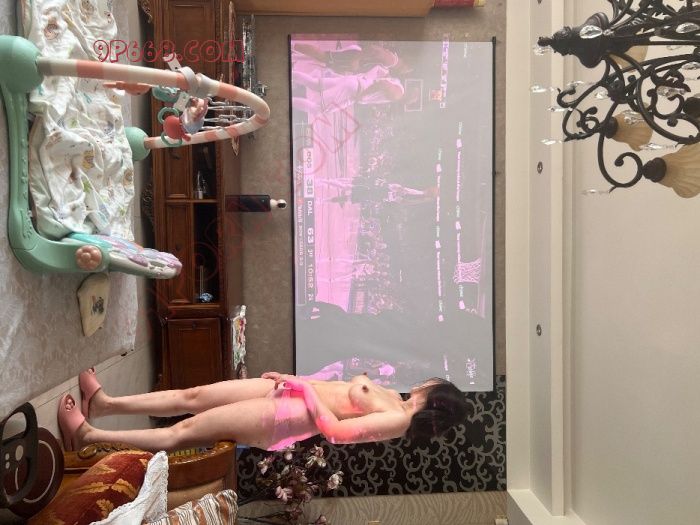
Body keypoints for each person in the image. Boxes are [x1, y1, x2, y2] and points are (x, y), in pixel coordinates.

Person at [57, 368, 468, 453]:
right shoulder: (395, 399)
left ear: (436, 397)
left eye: (434, 384)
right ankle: (106, 405)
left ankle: (88, 436)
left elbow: (334, 432)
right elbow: (335, 391)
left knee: (185, 431)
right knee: (194, 394)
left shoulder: (398, 421)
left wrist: (301, 387)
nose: (428, 379)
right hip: (288, 391)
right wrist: (296, 379)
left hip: (285, 418)